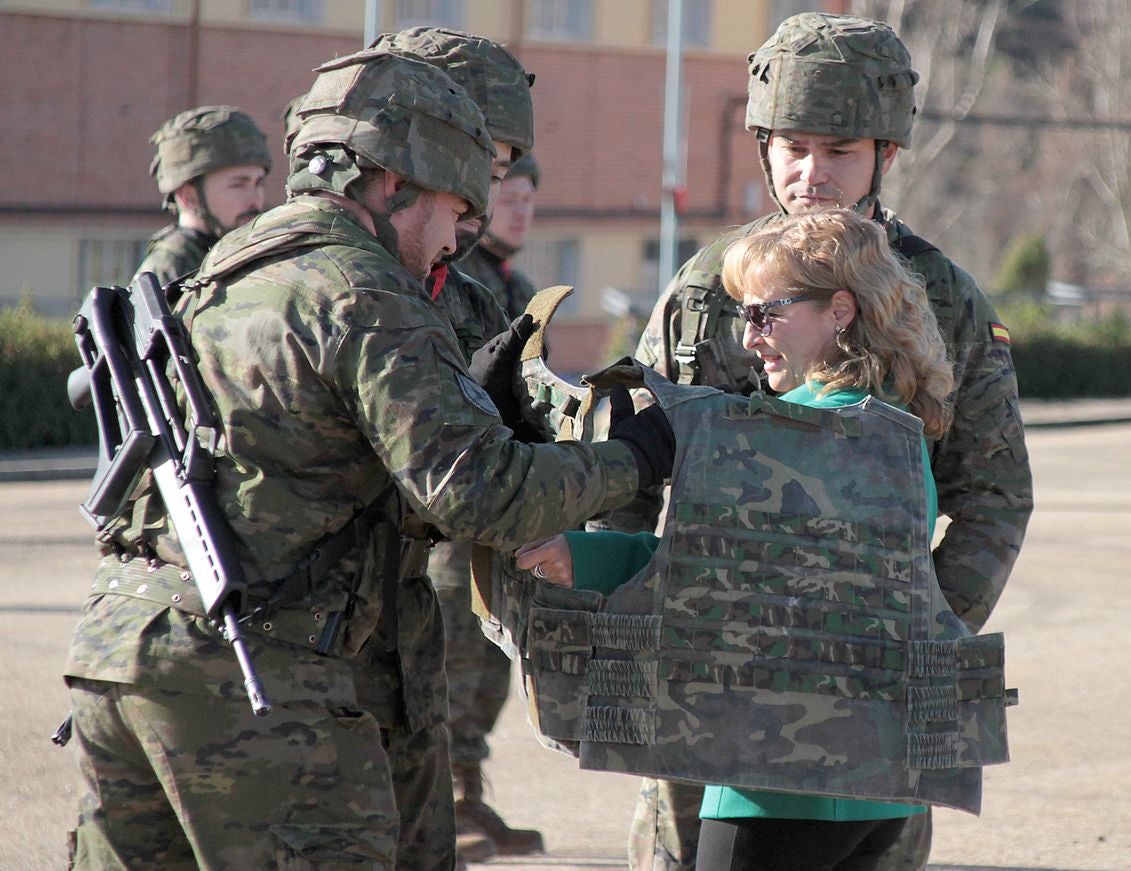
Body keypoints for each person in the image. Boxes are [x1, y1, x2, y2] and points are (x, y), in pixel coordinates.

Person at [62, 48, 674, 870]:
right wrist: (631, 458)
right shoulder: (363, 290)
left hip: (118, 659)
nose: (455, 243)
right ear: (392, 185)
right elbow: (482, 493)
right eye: (456, 209)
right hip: (253, 677)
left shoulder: (232, 266)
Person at [619, 13, 1034, 870]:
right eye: (793, 147)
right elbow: (633, 478)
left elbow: (993, 496)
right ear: (764, 145)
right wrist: (636, 628)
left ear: (886, 152)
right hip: (709, 682)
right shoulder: (708, 292)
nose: (812, 173)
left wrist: (913, 633)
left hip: (868, 704)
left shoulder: (944, 300)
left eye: (839, 150)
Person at [518, 208, 956, 871]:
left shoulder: (794, 433)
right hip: (882, 784)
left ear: (840, 311)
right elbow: (735, 558)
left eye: (765, 314)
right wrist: (575, 554)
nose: (749, 338)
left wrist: (578, 544)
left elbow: (705, 569)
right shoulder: (893, 429)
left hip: (777, 777)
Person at [365, 27, 549, 862]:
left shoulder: (466, 294)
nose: (483, 202)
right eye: (478, 167)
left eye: (503, 174)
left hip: (401, 657)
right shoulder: (327, 279)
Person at [136, 105, 271, 284]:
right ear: (188, 196)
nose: (255, 199)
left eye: (258, 183)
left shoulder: (244, 255)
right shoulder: (169, 269)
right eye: (238, 185)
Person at [460, 153, 540, 318]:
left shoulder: (521, 289)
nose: (521, 213)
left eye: (527, 199)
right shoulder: (457, 281)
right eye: (509, 200)